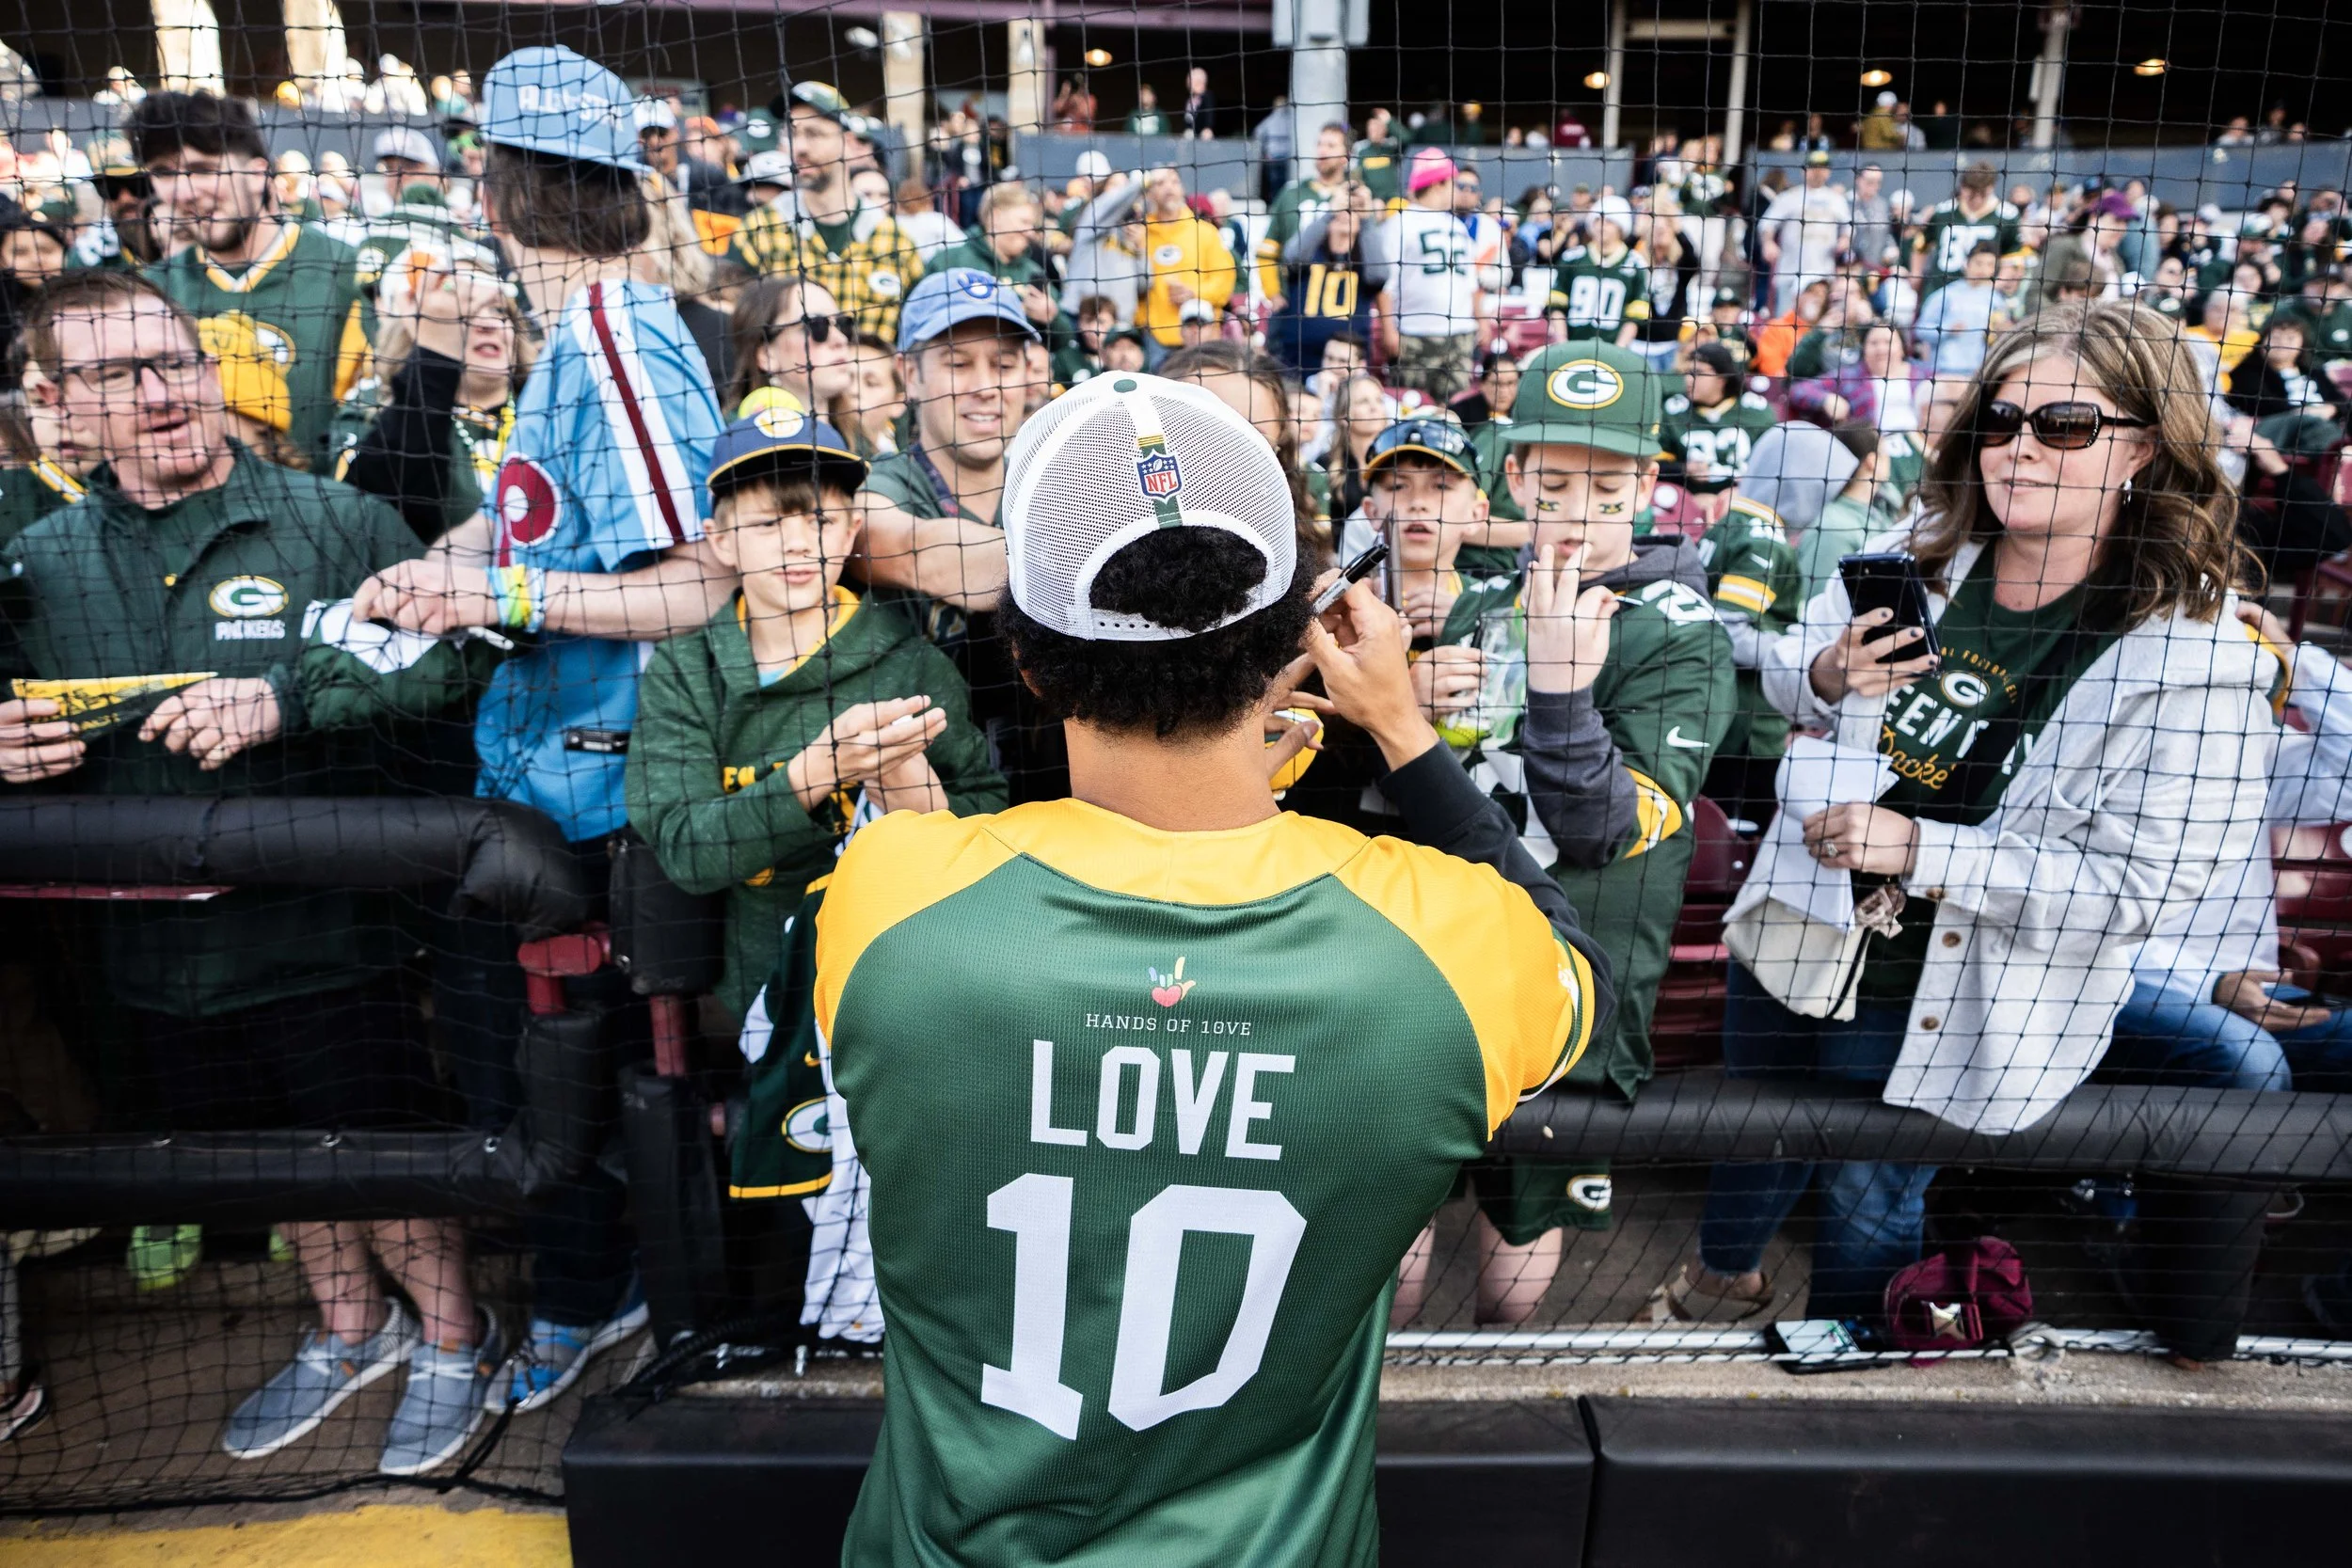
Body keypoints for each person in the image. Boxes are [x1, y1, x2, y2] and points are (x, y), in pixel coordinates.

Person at [814, 370, 1611, 1563]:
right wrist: (1402, 730)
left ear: (1028, 658)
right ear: (1299, 639)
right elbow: (1573, 962)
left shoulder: (892, 897)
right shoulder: (1440, 936)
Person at [1649, 300, 2279, 1328]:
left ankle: (1852, 1382)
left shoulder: (2198, 661)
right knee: (1750, 1123)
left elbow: (2139, 888)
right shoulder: (1924, 542)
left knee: (1867, 1194)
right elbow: (1794, 691)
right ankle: (1727, 1275)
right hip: (1802, 912)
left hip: (1947, 985)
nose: (2018, 448)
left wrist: (1920, 848)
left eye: (2064, 424)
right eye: (2001, 417)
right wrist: (1826, 669)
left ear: (2145, 447)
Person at [3, 269, 488, 1474]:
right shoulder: (39, 558)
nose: (162, 392)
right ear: (60, 405)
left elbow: (448, 674)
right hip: (152, 961)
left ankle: (452, 1337)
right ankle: (348, 1328)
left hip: (330, 938)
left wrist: (286, 703)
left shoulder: (334, 521)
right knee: (262, 1156)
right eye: (118, 376)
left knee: (369, 1145)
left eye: (176, 361)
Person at [352, 44, 729, 1417]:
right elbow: (542, 521)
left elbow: (701, 580)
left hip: (613, 800)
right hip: (553, 782)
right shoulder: (586, 335)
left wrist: (489, 589)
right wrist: (436, 569)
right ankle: (592, 1289)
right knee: (547, 1071)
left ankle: (606, 1297)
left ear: (497, 193)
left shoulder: (620, 337)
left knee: (593, 1079)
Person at [1409, 343, 1735, 1307]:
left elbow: (1603, 827)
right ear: (1513, 477)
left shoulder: (1677, 628)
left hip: (1570, 992)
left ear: (1646, 485)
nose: (1578, 509)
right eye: (1552, 482)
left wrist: (1558, 689)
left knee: (1513, 1276)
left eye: (1606, 484)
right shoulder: (1474, 604)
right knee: (1395, 1251)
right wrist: (1398, 708)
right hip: (1436, 982)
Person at [627, 404, 1005, 1017]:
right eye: (770, 522)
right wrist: (816, 772)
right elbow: (685, 849)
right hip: (766, 997)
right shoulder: (687, 670)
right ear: (721, 540)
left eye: (821, 518)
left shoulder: (910, 663)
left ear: (852, 529)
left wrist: (919, 797)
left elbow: (989, 823)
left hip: (903, 981)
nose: (799, 541)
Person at [134, 91, 372, 468]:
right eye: (163, 172)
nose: (184, 192)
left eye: (203, 169)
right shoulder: (148, 293)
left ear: (259, 173)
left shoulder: (348, 272)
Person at [328, 249, 531, 543]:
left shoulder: (550, 411)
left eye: (499, 310)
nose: (487, 323)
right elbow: (369, 518)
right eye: (463, 313)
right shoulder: (367, 417)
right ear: (416, 330)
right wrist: (434, 358)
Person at [735, 82, 927, 343]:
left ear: (847, 142)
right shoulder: (758, 231)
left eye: (814, 134)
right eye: (791, 133)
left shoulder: (895, 242)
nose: (799, 147)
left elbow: (916, 338)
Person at [1366, 150, 1497, 403]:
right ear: (1438, 183)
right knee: (1410, 405)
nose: (1458, 191)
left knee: (1455, 409)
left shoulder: (1457, 226)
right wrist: (1389, 329)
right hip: (1414, 334)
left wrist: (1480, 319)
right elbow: (1385, 284)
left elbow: (1469, 282)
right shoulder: (1400, 223)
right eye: (1453, 184)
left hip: (1458, 334)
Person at [725, 274, 860, 441]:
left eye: (843, 324)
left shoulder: (865, 439)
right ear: (767, 355)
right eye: (816, 325)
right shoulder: (734, 439)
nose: (841, 339)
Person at [1267, 182, 1378, 379]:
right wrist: (1329, 212)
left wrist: (1367, 218)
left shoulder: (1365, 256)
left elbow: (1379, 274)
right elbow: (1291, 257)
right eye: (1341, 211)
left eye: (1352, 212)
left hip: (1347, 366)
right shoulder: (1310, 251)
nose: (1345, 215)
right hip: (1297, 361)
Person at [1134, 167, 1235, 361]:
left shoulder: (1205, 232)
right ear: (1149, 193)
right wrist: (1141, 320)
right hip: (1156, 339)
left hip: (1200, 334)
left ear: (1182, 188)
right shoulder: (1140, 234)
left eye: (1174, 181)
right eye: (1160, 183)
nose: (1168, 188)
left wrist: (1194, 292)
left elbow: (1224, 282)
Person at [1659, 341, 1774, 499]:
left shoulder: (1756, 410)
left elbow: (1775, 464)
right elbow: (1652, 464)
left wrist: (1744, 490)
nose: (1689, 380)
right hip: (1689, 502)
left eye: (1698, 373)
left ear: (1722, 378)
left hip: (1745, 499)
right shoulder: (1673, 411)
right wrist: (1683, 469)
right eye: (1687, 372)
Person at [1259, 122, 1352, 309]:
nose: (1322, 150)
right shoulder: (1291, 194)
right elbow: (1267, 251)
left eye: (1331, 146)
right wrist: (1274, 294)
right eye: (1320, 144)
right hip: (1293, 298)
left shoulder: (1354, 196)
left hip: (1338, 302)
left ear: (1346, 156)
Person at [1910, 164, 2022, 304]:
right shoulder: (1943, 212)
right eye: (1971, 193)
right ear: (1962, 187)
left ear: (1991, 189)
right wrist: (1916, 273)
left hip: (1982, 295)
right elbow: (1921, 244)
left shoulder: (2006, 216)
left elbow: (2012, 257)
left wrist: (1994, 287)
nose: (1976, 199)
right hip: (1940, 290)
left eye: (1981, 194)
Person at [1549, 197, 1650, 346]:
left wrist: (1619, 349)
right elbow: (1557, 306)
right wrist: (1563, 343)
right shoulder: (1572, 258)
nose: (1602, 226)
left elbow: (1635, 317)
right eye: (1597, 220)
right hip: (1573, 345)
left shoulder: (1635, 263)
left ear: (1620, 227)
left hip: (1612, 348)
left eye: (1609, 221)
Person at [1759, 151, 1851, 315]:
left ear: (1828, 172)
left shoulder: (1836, 200)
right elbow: (1767, 224)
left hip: (1822, 274)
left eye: (1822, 168)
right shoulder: (1789, 197)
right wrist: (1768, 243)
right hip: (1790, 271)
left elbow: (1848, 228)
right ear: (1804, 170)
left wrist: (1844, 240)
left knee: (1818, 319)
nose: (1817, 172)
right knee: (1786, 320)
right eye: (1814, 167)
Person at [1910, 240, 2002, 379]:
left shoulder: (1996, 300)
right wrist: (1946, 329)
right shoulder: (1946, 294)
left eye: (1989, 265)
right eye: (1979, 263)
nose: (1983, 270)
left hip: (1978, 373)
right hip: (1944, 371)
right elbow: (1920, 329)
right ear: (1967, 264)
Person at [2227, 316, 2338, 422]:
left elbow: (2339, 402)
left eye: (2290, 338)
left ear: (2302, 344)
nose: (2282, 343)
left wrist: (2332, 408)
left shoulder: (2314, 372)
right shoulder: (2245, 373)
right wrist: (2305, 413)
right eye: (2275, 338)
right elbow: (2262, 405)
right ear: (2262, 341)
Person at [847, 329, 905, 453]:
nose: (854, 390)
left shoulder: (896, 465)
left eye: (871, 383)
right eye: (846, 379)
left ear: (897, 403)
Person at [1180, 64, 1215, 137]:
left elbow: (1209, 114)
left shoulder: (1207, 97)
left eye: (1190, 80)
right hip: (1191, 132)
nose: (1188, 83)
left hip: (1204, 133)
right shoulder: (1189, 99)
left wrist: (1207, 127)